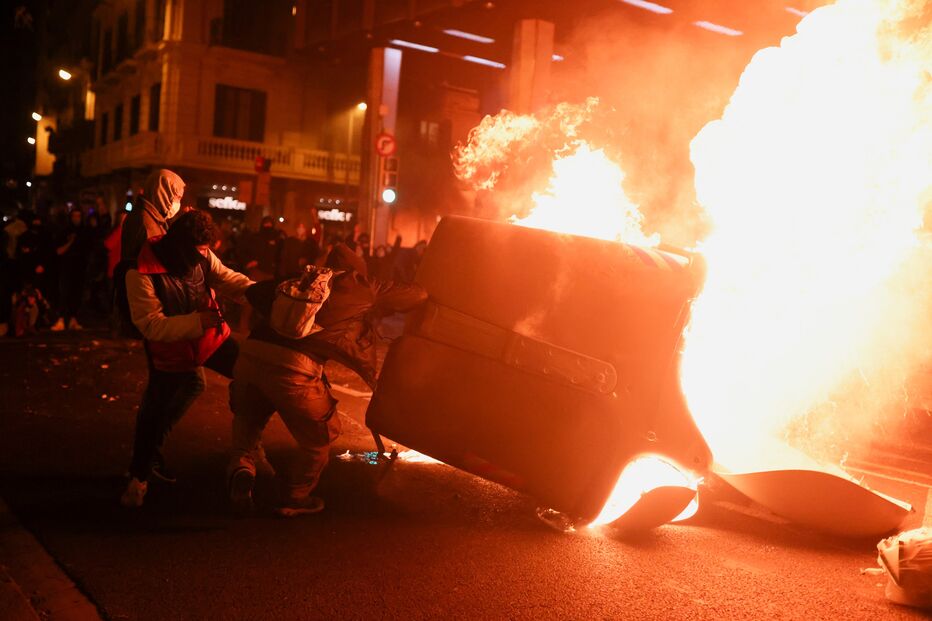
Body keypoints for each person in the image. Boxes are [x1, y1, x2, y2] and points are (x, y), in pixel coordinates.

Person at [226, 243, 427, 516]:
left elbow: (255, 291)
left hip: (250, 356)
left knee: (250, 417)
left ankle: (243, 467)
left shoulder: (301, 280)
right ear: (356, 271)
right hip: (293, 368)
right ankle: (295, 497)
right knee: (321, 435)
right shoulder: (361, 286)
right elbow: (416, 296)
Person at [121, 209, 253, 508]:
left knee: (255, 372)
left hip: (211, 338)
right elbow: (150, 324)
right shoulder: (139, 271)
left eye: (205, 253)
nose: (201, 259)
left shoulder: (202, 254)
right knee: (154, 414)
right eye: (196, 254)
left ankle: (249, 456)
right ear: (179, 245)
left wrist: (261, 293)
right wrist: (196, 322)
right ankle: (138, 476)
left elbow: (226, 278)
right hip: (172, 351)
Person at [122, 169, 185, 262]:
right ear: (162, 193)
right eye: (177, 197)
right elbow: (156, 262)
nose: (178, 203)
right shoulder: (146, 223)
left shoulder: (154, 217)